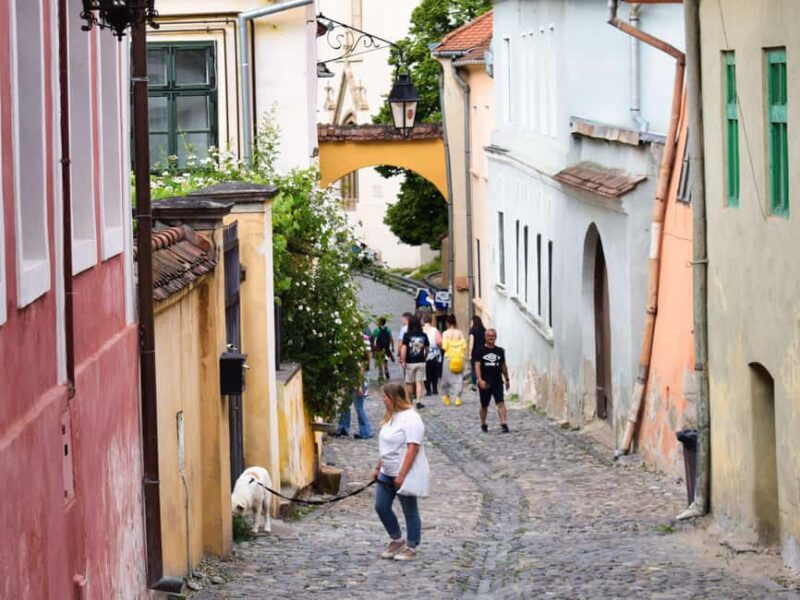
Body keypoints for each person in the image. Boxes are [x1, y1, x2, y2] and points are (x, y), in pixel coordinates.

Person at [372, 383, 425, 561]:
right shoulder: (390, 417)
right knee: (381, 506)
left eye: (385, 396)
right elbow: (387, 445)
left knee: (409, 510)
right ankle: (396, 538)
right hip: (386, 471)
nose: (383, 399)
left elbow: (412, 448)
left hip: (402, 471)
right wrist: (378, 466)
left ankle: (412, 545)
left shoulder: (411, 418)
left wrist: (402, 475)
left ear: (393, 398)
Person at [474, 328, 511, 433]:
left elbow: (503, 366)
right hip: (485, 382)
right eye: (489, 336)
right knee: (484, 405)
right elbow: (477, 366)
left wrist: (507, 378)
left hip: (497, 381)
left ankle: (504, 423)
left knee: (501, 402)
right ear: (485, 337)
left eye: (493, 336)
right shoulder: (480, 351)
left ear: (496, 337)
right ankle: (483, 423)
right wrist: (480, 380)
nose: (491, 338)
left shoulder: (500, 351)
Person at [400, 317, 429, 409]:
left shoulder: (407, 335)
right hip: (421, 361)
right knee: (419, 382)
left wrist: (403, 360)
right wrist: (425, 355)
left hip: (410, 362)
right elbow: (427, 348)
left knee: (409, 382)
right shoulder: (423, 335)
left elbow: (404, 348)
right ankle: (419, 401)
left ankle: (410, 401)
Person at [440, 315, 467, 406]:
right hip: (459, 358)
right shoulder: (460, 333)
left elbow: (444, 347)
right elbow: (464, 346)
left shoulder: (445, 333)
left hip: (449, 358)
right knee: (459, 378)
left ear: (447, 323)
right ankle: (458, 398)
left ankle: (446, 397)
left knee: (446, 378)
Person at [422, 314, 442, 396]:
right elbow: (439, 342)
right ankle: (435, 389)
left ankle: (428, 390)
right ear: (431, 321)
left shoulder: (421, 330)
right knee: (434, 372)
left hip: (424, 354)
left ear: (423, 321)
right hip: (434, 354)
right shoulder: (435, 330)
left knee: (426, 373)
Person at [468, 315, 486, 389]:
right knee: (482, 368)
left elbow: (471, 342)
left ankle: (474, 384)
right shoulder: (484, 330)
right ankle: (482, 382)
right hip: (483, 352)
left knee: (474, 368)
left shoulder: (472, 330)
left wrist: (470, 353)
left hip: (475, 352)